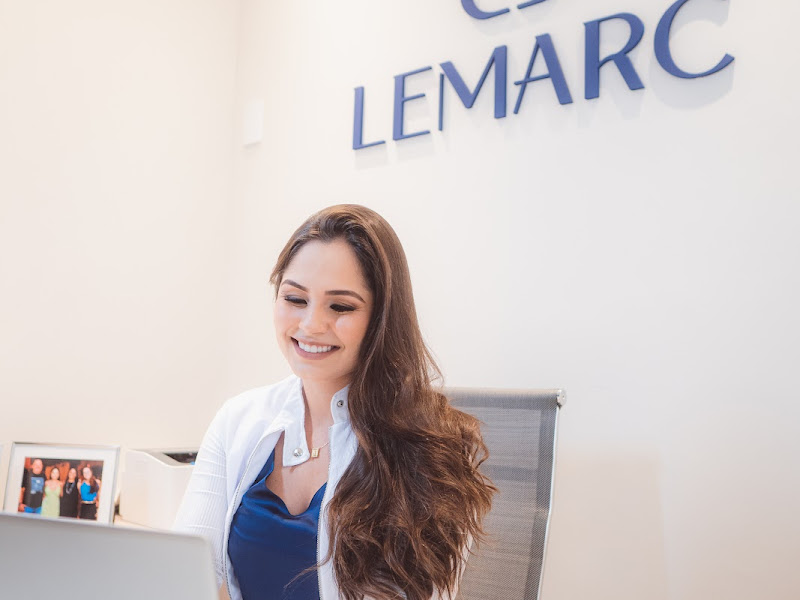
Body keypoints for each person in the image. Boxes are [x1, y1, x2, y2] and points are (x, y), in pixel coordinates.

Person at [175, 205, 495, 600]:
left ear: (381, 319)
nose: (311, 324)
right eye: (295, 298)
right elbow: (187, 573)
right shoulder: (237, 419)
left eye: (340, 306)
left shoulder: (434, 447)